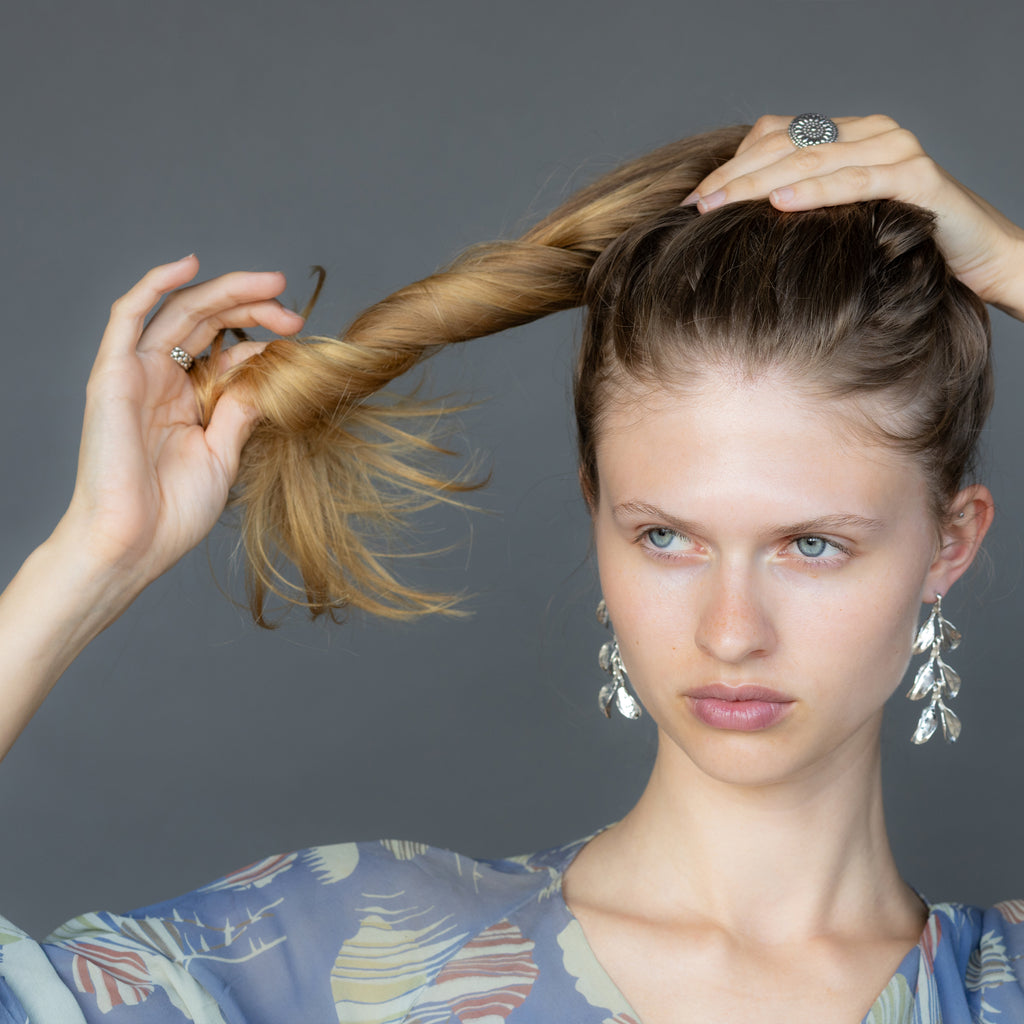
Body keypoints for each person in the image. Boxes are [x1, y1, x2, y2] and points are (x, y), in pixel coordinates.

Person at [1, 114, 1022, 1023]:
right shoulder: (349, 959)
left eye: (812, 545)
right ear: (596, 513)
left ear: (949, 542)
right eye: (665, 538)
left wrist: (1011, 264)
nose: (730, 630)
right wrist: (91, 561)